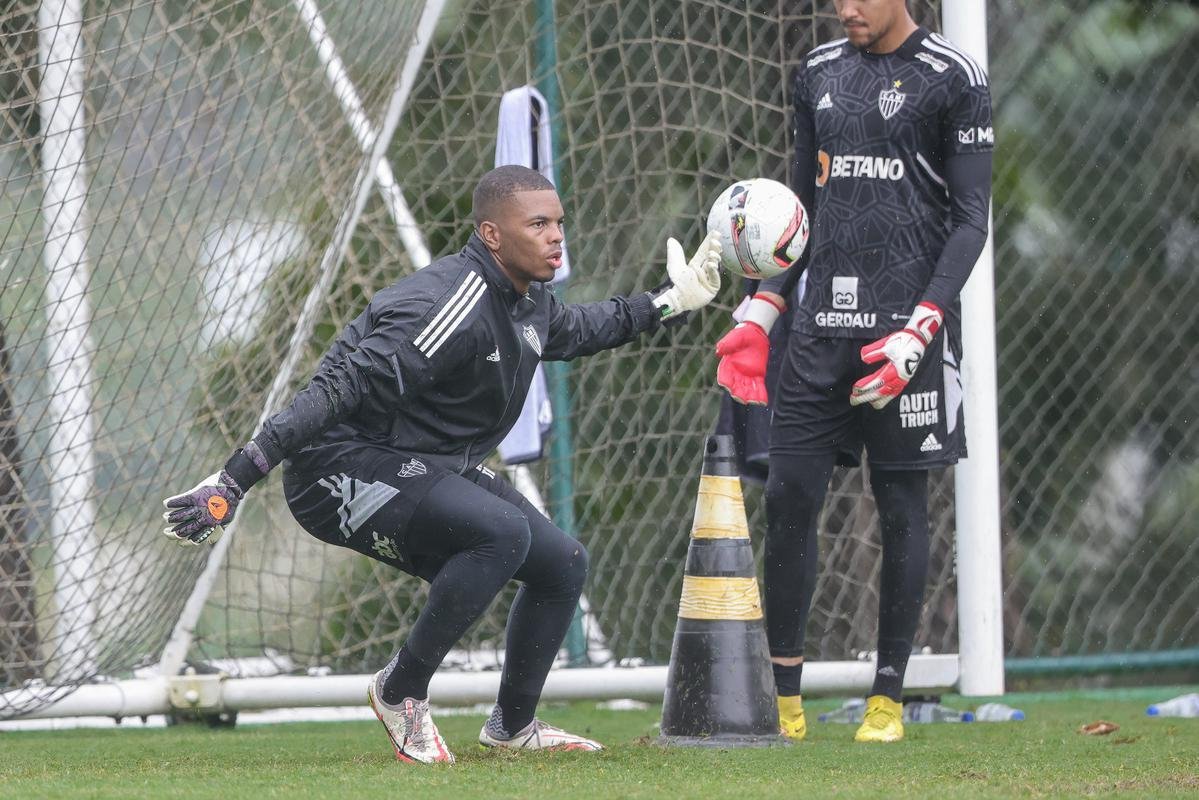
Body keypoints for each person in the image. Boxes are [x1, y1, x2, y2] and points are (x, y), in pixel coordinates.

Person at [162, 165, 722, 764]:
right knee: (501, 535)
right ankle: (399, 691)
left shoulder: (529, 301)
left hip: (419, 462)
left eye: (559, 222)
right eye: (538, 224)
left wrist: (671, 302)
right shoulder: (445, 306)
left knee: (562, 564)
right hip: (334, 468)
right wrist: (235, 478)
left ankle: (513, 726)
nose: (557, 236)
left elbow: (582, 328)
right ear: (492, 234)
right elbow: (335, 390)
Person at [715, 0, 993, 744]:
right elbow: (798, 209)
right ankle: (784, 699)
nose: (844, 9)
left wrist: (920, 328)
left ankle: (887, 700)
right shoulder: (816, 73)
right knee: (790, 496)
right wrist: (763, 309)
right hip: (817, 337)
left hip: (907, 339)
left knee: (901, 504)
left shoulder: (954, 77)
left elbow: (971, 221)